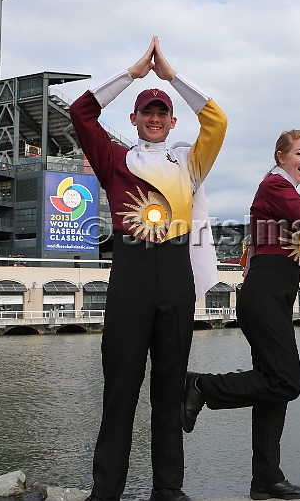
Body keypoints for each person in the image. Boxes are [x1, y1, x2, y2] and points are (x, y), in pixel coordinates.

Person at [70, 36, 227, 501]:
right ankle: (106, 492)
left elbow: (216, 119)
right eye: (147, 112)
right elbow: (82, 114)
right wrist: (132, 75)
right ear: (135, 120)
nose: (155, 118)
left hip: (176, 277)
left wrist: (172, 77)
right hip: (131, 280)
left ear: (172, 119)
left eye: (162, 111)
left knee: (169, 388)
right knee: (120, 389)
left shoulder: (190, 160)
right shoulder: (115, 160)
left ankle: (168, 488)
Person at [181, 130, 300, 500]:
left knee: (272, 390)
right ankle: (200, 385)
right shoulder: (274, 186)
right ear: (280, 156)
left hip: (276, 294)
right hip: (265, 294)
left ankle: (265, 480)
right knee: (287, 382)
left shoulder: (287, 194)